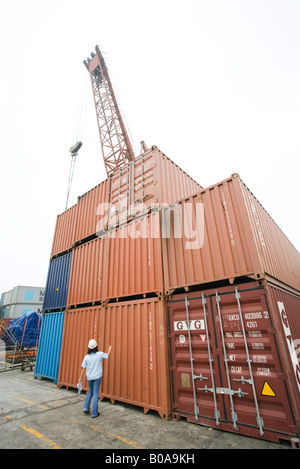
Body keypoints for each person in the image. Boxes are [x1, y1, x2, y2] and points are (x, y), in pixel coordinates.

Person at [78, 339, 112, 418]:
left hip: (89, 378)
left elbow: (83, 368)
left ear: (89, 347)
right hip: (97, 377)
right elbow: (107, 355)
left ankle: (86, 408)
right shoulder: (99, 354)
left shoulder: (86, 357)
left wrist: (80, 377)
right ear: (96, 346)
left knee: (90, 391)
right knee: (96, 394)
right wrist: (110, 348)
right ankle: (94, 413)